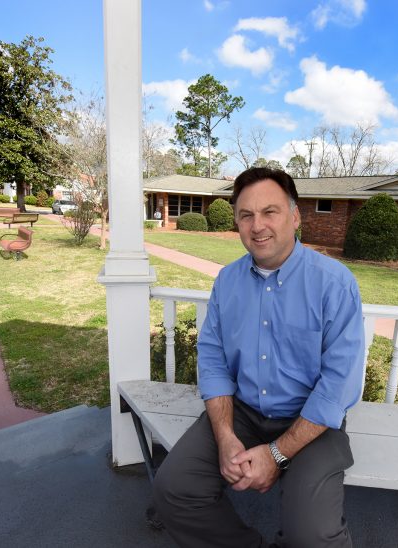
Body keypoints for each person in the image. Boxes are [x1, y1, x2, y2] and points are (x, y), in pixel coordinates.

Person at [152, 167, 365, 548]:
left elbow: (338, 385)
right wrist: (225, 436)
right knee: (175, 489)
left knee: (312, 535)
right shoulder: (228, 281)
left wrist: (275, 456)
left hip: (311, 421)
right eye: (246, 215)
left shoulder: (334, 283)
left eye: (270, 212)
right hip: (243, 412)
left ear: (295, 216)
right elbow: (213, 359)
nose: (257, 225)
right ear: (236, 222)